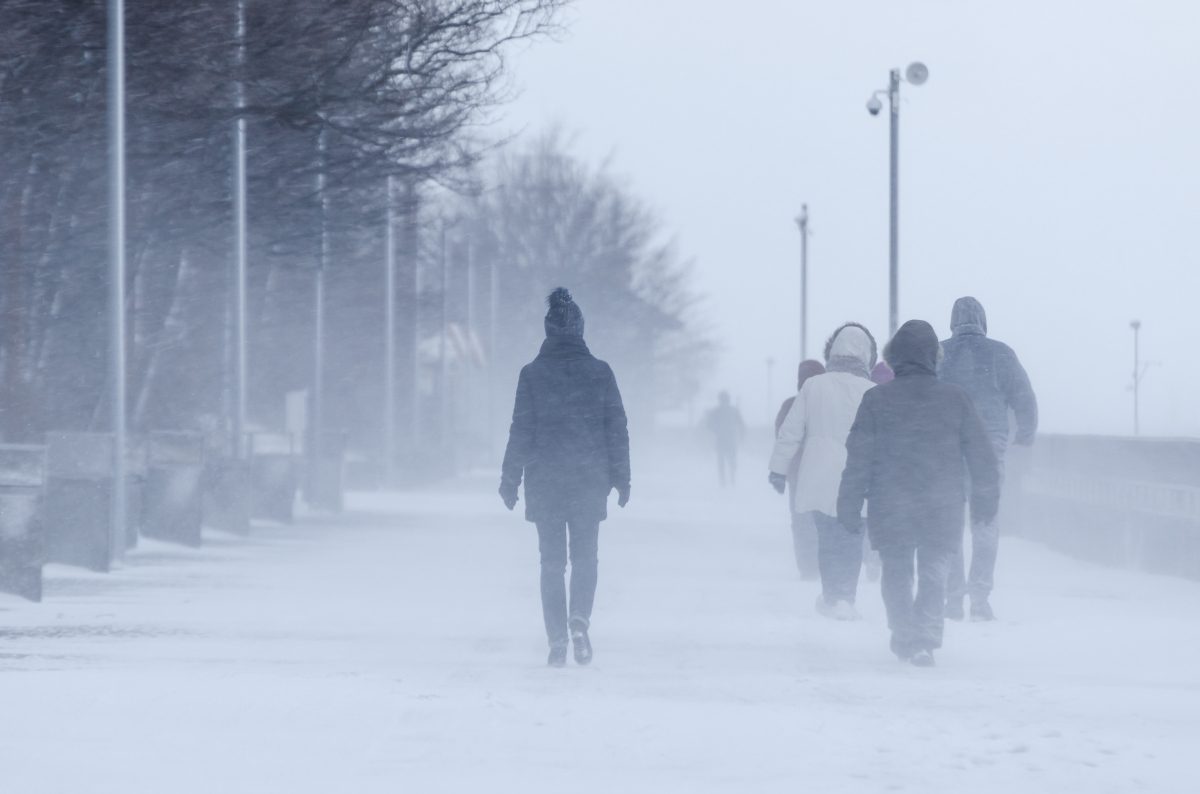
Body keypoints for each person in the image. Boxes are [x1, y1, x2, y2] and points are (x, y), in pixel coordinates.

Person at [837, 320, 1000, 667]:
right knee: (934, 573)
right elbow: (982, 456)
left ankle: (904, 635)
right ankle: (924, 639)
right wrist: (985, 502)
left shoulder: (876, 399)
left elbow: (858, 457)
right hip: (940, 505)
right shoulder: (955, 399)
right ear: (934, 357)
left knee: (896, 572)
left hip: (890, 503)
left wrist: (849, 504)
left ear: (894, 357)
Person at [499, 288, 631, 668]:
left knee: (552, 562)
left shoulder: (532, 374)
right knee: (586, 557)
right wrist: (622, 478)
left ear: (548, 330)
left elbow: (520, 431)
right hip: (590, 478)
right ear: (580, 329)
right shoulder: (601, 372)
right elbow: (616, 429)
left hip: (547, 481)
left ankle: (557, 638)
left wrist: (510, 479)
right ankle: (579, 621)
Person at [937, 297, 1038, 621]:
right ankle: (980, 598)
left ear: (953, 321)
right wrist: (1025, 434)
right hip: (987, 449)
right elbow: (1024, 396)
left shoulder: (940, 353)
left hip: (947, 448)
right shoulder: (1000, 353)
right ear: (983, 321)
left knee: (950, 524)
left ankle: (952, 599)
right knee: (985, 523)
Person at [769, 323, 877, 620]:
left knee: (827, 537)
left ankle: (831, 595)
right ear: (867, 357)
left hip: (818, 474)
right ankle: (846, 597)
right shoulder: (872, 391)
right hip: (857, 476)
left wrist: (778, 469)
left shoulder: (813, 387)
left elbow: (790, 433)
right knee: (852, 537)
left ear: (833, 353)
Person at [774, 360, 826, 580]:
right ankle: (825, 565)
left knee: (802, 521)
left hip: (798, 474)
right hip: (826, 473)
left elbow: (782, 439)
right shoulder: (830, 403)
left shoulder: (790, 405)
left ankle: (807, 567)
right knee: (825, 521)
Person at [706, 391, 744, 487]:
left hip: (725, 439)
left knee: (726, 461)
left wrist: (716, 430)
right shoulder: (725, 411)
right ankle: (726, 479)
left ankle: (728, 478)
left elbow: (741, 424)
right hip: (725, 439)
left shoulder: (720, 411)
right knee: (725, 461)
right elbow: (741, 424)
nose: (724, 401)